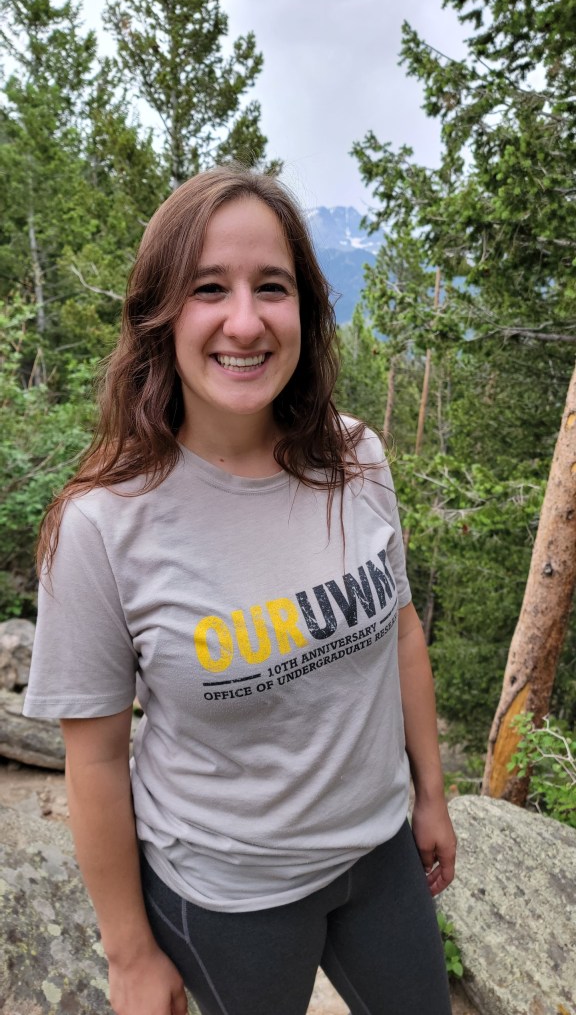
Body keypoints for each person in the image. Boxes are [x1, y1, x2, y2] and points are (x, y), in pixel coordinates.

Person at [24, 166, 457, 1015]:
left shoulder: (356, 458)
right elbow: (97, 758)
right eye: (209, 289)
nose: (246, 321)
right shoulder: (104, 525)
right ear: (160, 313)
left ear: (305, 309)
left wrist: (431, 793)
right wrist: (130, 953)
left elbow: (402, 629)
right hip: (229, 892)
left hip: (379, 854)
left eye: (273, 287)